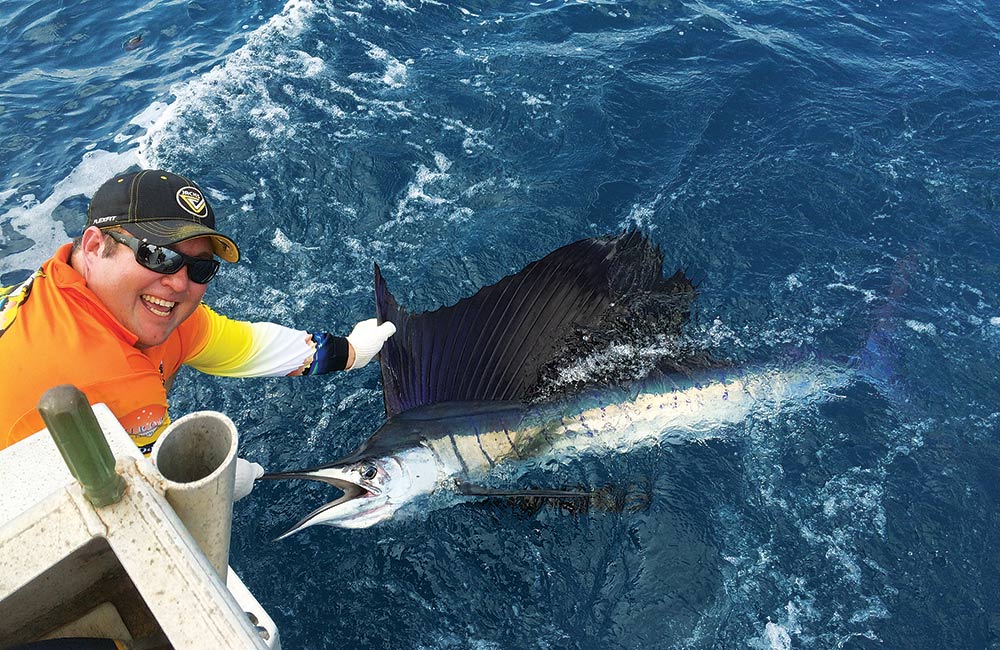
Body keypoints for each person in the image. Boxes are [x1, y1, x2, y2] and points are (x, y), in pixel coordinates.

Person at [0, 169, 395, 498]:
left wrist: (351, 352)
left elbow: (248, 347)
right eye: (157, 255)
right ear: (94, 245)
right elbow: (145, 502)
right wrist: (206, 484)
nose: (177, 283)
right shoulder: (110, 378)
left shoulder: (99, 291)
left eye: (199, 269)